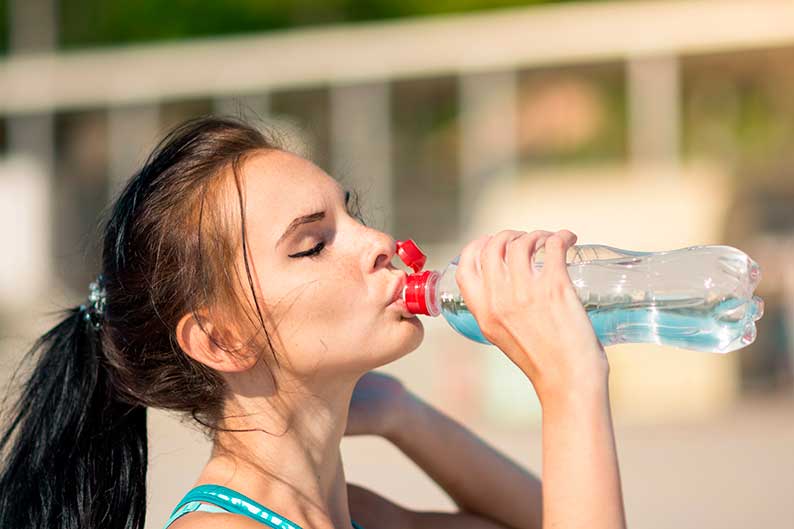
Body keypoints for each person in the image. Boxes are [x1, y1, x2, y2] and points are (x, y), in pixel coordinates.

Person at [0, 116, 626, 529]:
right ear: (220, 338)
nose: (380, 241)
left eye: (350, 215)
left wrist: (407, 416)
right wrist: (569, 386)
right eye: (312, 244)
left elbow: (552, 516)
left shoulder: (351, 515)